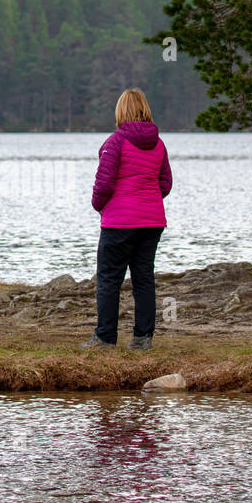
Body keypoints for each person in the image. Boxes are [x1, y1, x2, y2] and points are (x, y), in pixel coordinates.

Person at [83, 89, 172, 350]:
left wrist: (99, 206)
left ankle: (105, 338)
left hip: (119, 223)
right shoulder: (158, 143)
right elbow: (165, 183)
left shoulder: (115, 143)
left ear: (121, 111)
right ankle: (143, 338)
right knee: (143, 279)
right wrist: (150, 200)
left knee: (109, 279)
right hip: (152, 221)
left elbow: (104, 184)